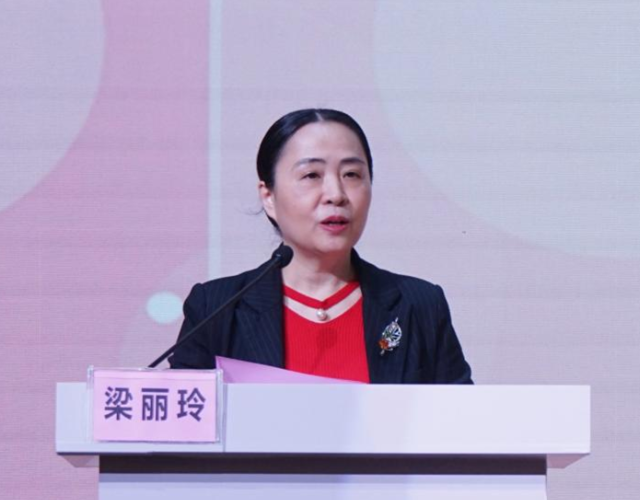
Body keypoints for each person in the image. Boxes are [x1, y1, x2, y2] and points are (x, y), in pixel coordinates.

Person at [169, 108, 472, 384]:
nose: (336, 194)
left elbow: (462, 419)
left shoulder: (419, 305)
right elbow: (181, 421)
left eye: (351, 175)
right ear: (268, 197)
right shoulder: (217, 310)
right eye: (311, 175)